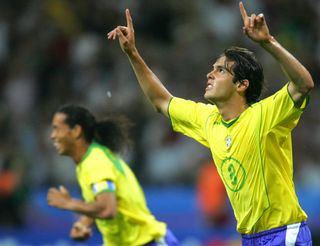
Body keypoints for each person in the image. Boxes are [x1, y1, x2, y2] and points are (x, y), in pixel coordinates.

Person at [108, 1, 314, 245]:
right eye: (212, 69)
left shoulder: (265, 114)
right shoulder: (208, 119)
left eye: (221, 70)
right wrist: (133, 54)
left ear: (242, 84)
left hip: (284, 233)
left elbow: (303, 85)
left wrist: (268, 43)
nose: (210, 74)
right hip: (251, 238)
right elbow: (161, 101)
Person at [47, 104, 179, 246]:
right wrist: (84, 223)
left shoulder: (96, 162)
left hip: (147, 241)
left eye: (57, 129)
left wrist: (69, 203)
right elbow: (99, 202)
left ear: (76, 131)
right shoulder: (89, 160)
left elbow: (108, 209)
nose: (52, 135)